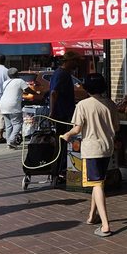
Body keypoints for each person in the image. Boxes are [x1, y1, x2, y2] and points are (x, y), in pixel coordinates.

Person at [60, 73, 120, 237]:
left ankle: (105, 225)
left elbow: (77, 128)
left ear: (86, 88)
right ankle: (92, 216)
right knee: (98, 182)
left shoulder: (83, 105)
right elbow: (116, 127)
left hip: (92, 149)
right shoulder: (110, 104)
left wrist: (67, 135)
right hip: (107, 147)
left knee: (97, 184)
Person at [48, 51, 80, 184]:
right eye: (75, 61)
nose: (77, 64)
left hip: (65, 113)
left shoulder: (63, 73)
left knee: (64, 142)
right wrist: (52, 111)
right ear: (69, 61)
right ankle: (60, 171)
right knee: (63, 143)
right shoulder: (62, 74)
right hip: (62, 115)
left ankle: (60, 170)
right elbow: (54, 93)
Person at [0, 68, 26, 149]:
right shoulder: (20, 81)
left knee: (8, 126)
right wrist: (37, 93)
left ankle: (9, 144)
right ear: (17, 74)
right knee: (18, 124)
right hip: (13, 105)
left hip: (3, 104)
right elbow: (27, 90)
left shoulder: (5, 82)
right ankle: (11, 140)